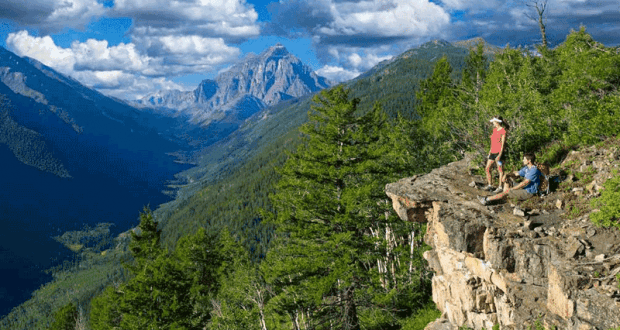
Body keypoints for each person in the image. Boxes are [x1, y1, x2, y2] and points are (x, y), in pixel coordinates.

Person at [484, 116, 509, 193]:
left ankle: (500, 187)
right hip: (492, 152)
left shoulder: (503, 130)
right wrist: (489, 152)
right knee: (487, 168)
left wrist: (500, 155)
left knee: (500, 170)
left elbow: (503, 144)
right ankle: (490, 185)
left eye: (494, 122)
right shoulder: (494, 130)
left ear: (497, 122)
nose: (493, 123)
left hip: (499, 153)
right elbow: (492, 142)